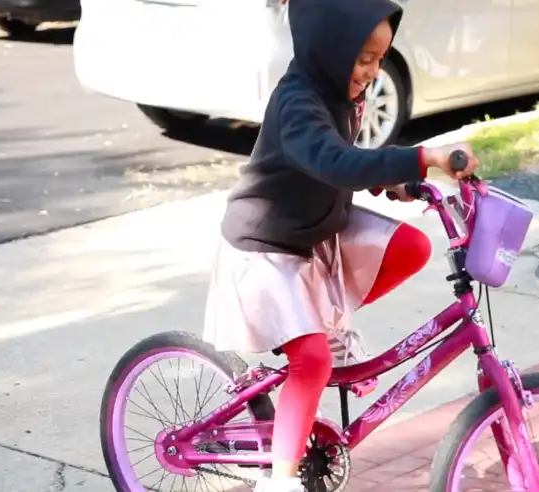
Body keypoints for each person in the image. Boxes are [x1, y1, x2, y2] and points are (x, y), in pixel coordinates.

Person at [202, 0, 479, 490]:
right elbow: (333, 162)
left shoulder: (339, 91)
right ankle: (280, 481)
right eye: (364, 58)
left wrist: (390, 180)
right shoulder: (297, 102)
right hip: (267, 246)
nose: (372, 71)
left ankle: (327, 327)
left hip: (316, 228)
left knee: (410, 247)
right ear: (330, 47)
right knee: (312, 361)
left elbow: (345, 159)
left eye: (379, 59)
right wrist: (422, 157)